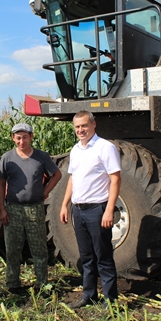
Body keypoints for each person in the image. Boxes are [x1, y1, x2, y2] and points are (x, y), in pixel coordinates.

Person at [59, 110, 121, 309]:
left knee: (103, 256)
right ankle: (89, 295)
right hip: (78, 210)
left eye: (84, 126)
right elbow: (72, 179)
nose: (80, 130)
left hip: (97, 210)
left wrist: (109, 210)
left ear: (94, 124)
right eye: (77, 127)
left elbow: (115, 179)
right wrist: (64, 204)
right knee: (86, 257)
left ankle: (110, 300)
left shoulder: (105, 148)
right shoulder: (76, 150)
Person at [0, 123, 62, 294]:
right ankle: (13, 283)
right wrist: (2, 208)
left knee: (39, 247)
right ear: (13, 138)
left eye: (25, 137)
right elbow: (1, 183)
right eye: (18, 137)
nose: (22, 141)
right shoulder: (7, 158)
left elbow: (57, 175)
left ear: (31, 137)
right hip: (13, 209)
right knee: (13, 249)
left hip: (35, 208)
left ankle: (41, 284)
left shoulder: (41, 157)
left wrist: (45, 192)